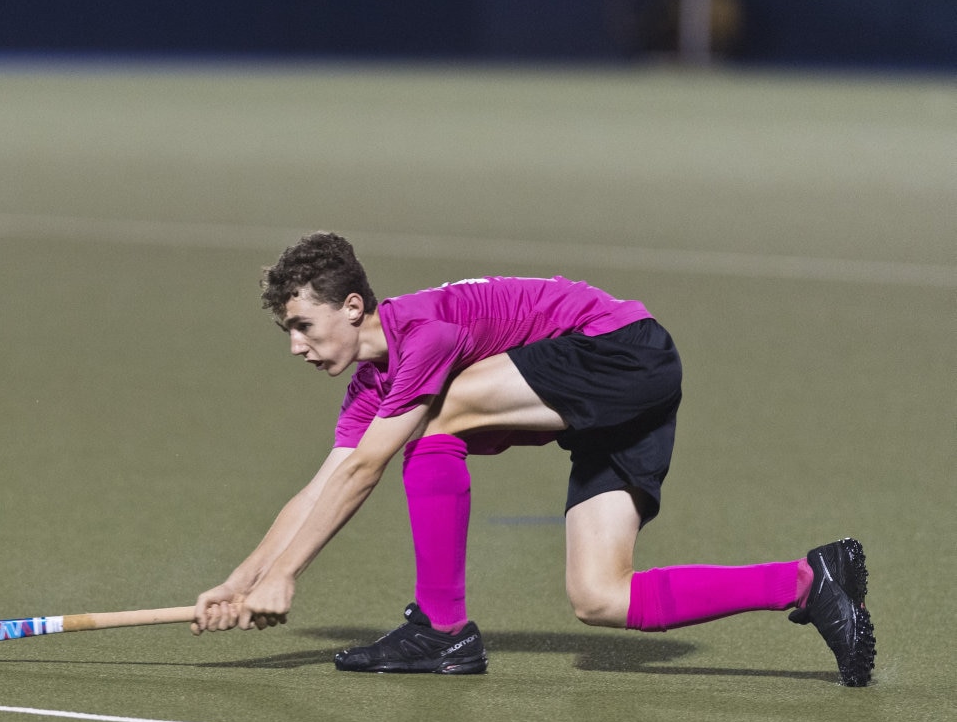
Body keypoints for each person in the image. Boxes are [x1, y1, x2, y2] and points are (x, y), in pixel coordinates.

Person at [191, 232, 876, 687]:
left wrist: (287, 578)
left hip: (620, 350)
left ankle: (442, 628)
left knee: (436, 420)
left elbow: (365, 471)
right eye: (287, 332)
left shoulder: (422, 334)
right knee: (600, 597)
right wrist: (243, 578)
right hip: (619, 396)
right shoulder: (373, 385)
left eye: (303, 326)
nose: (296, 346)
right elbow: (324, 485)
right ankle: (806, 582)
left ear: (351, 306)